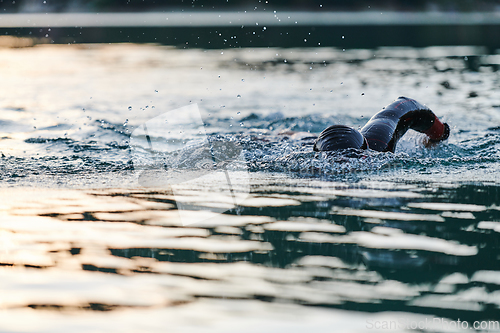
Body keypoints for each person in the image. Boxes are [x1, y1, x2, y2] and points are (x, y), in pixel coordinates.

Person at [313, 96, 450, 153]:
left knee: (298, 137)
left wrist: (440, 133)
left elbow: (406, 106)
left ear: (365, 153)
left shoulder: (378, 142)